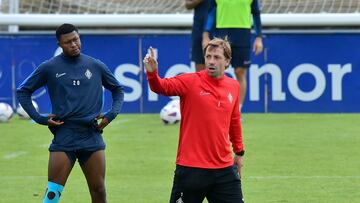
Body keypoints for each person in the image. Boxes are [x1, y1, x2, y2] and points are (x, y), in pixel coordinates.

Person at [16, 23, 124, 203]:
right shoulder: (49, 67)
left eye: (76, 39)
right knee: (53, 194)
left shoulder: (95, 65)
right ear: (60, 45)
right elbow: (23, 91)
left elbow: (118, 90)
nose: (73, 44)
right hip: (64, 135)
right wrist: (39, 118)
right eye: (68, 42)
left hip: (91, 135)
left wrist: (110, 114)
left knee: (99, 191)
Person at [143, 37, 245, 203]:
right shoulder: (190, 82)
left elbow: (234, 122)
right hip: (191, 170)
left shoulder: (233, 86)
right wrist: (152, 74)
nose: (211, 61)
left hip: (224, 169)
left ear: (227, 61)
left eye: (217, 57)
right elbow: (161, 86)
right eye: (208, 56)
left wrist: (239, 152)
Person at [202, 0, 263, 112]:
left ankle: (237, 111)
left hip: (242, 35)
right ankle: (214, 107)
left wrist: (259, 37)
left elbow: (256, 13)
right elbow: (211, 13)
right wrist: (206, 34)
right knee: (216, 72)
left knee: (240, 72)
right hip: (221, 33)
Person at [185, 0, 210, 71]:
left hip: (216, 28)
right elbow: (187, 4)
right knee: (200, 66)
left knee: (216, 64)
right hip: (198, 28)